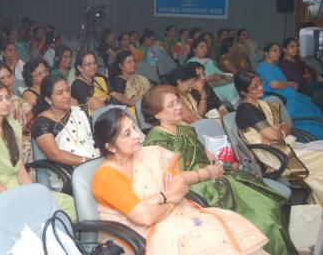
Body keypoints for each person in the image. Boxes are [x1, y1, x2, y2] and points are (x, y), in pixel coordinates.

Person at [141, 85, 296, 254]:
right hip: (196, 190)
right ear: (157, 113)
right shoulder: (157, 140)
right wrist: (209, 173)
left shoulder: (184, 128)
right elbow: (170, 179)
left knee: (270, 206)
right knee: (263, 221)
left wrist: (221, 164)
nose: (178, 106)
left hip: (214, 176)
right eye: (171, 105)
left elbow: (205, 153)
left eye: (178, 101)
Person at [91, 108, 269, 254]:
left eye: (134, 129)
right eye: (127, 134)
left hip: (179, 218)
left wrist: (159, 198)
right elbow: (145, 217)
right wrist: (170, 197)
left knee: (227, 234)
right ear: (111, 147)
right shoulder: (106, 176)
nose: (137, 136)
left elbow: (181, 184)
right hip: (141, 237)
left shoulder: (150, 154)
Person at [0, 80, 76, 219]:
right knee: (32, 213)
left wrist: (32, 193)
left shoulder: (13, 127)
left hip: (13, 185)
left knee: (67, 204)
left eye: (7, 97)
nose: (6, 102)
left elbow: (20, 171)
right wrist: (18, 198)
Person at [234, 71, 323, 205]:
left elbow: (285, 127)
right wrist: (280, 132)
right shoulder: (246, 109)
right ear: (243, 92)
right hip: (272, 154)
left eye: (260, 83)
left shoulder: (260, 104)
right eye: (255, 86)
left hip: (283, 146)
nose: (261, 88)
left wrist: (278, 131)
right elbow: (275, 135)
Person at [256, 43, 323, 139]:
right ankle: (312, 137)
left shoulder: (274, 66)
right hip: (279, 97)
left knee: (311, 103)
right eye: (274, 50)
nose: (277, 53)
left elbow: (282, 81)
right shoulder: (264, 66)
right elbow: (274, 85)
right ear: (266, 53)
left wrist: (290, 85)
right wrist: (291, 83)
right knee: (306, 109)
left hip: (288, 93)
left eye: (279, 51)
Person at [31, 75, 99, 168]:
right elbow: (55, 155)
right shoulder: (41, 124)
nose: (67, 95)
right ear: (48, 99)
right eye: (60, 93)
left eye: (67, 90)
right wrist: (87, 161)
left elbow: (93, 139)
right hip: (69, 172)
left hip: (95, 162)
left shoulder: (77, 112)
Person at [187, 37, 240, 106]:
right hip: (208, 87)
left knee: (238, 82)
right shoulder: (191, 63)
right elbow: (192, 82)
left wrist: (221, 76)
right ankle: (238, 107)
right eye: (202, 47)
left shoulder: (209, 61)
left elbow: (219, 72)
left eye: (206, 47)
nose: (205, 50)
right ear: (194, 49)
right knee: (231, 87)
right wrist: (210, 79)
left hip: (219, 81)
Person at [279, 37, 323, 109]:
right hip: (302, 90)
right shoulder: (284, 64)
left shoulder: (297, 59)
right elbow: (298, 80)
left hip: (311, 85)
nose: (296, 48)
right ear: (284, 50)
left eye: (297, 46)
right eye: (292, 47)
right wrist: (307, 76)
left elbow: (313, 71)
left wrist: (308, 75)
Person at [109, 51, 150, 117]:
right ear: (120, 66)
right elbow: (121, 99)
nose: (133, 64)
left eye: (133, 61)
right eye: (129, 62)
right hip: (131, 112)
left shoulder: (136, 77)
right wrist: (139, 105)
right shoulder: (118, 81)